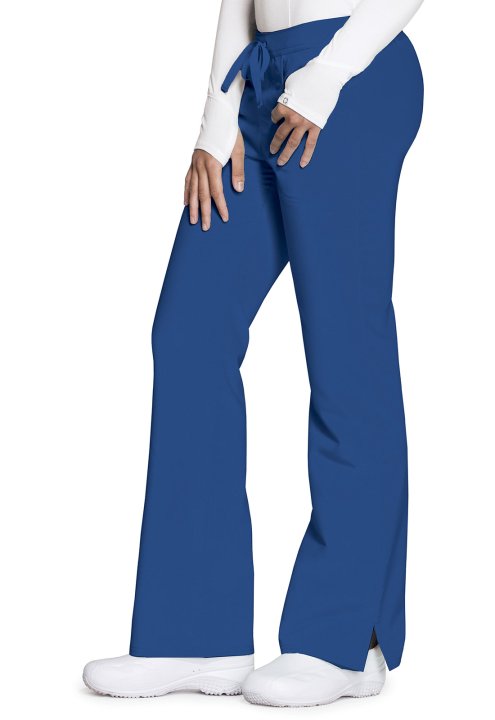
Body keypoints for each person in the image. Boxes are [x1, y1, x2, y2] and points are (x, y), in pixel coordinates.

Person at [83, 0, 424, 707]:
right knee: (190, 334)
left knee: (344, 353)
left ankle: (342, 639)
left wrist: (329, 73)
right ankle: (194, 633)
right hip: (261, 82)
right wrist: (216, 121)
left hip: (348, 77)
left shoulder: (339, 74)